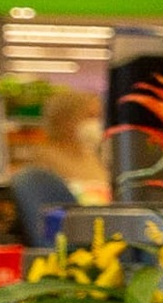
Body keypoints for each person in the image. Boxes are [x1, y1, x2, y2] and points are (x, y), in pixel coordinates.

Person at [11, 84, 112, 246]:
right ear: (66, 119)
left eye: (99, 117)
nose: (96, 124)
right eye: (89, 116)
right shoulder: (42, 161)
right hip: (74, 242)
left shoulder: (93, 157)